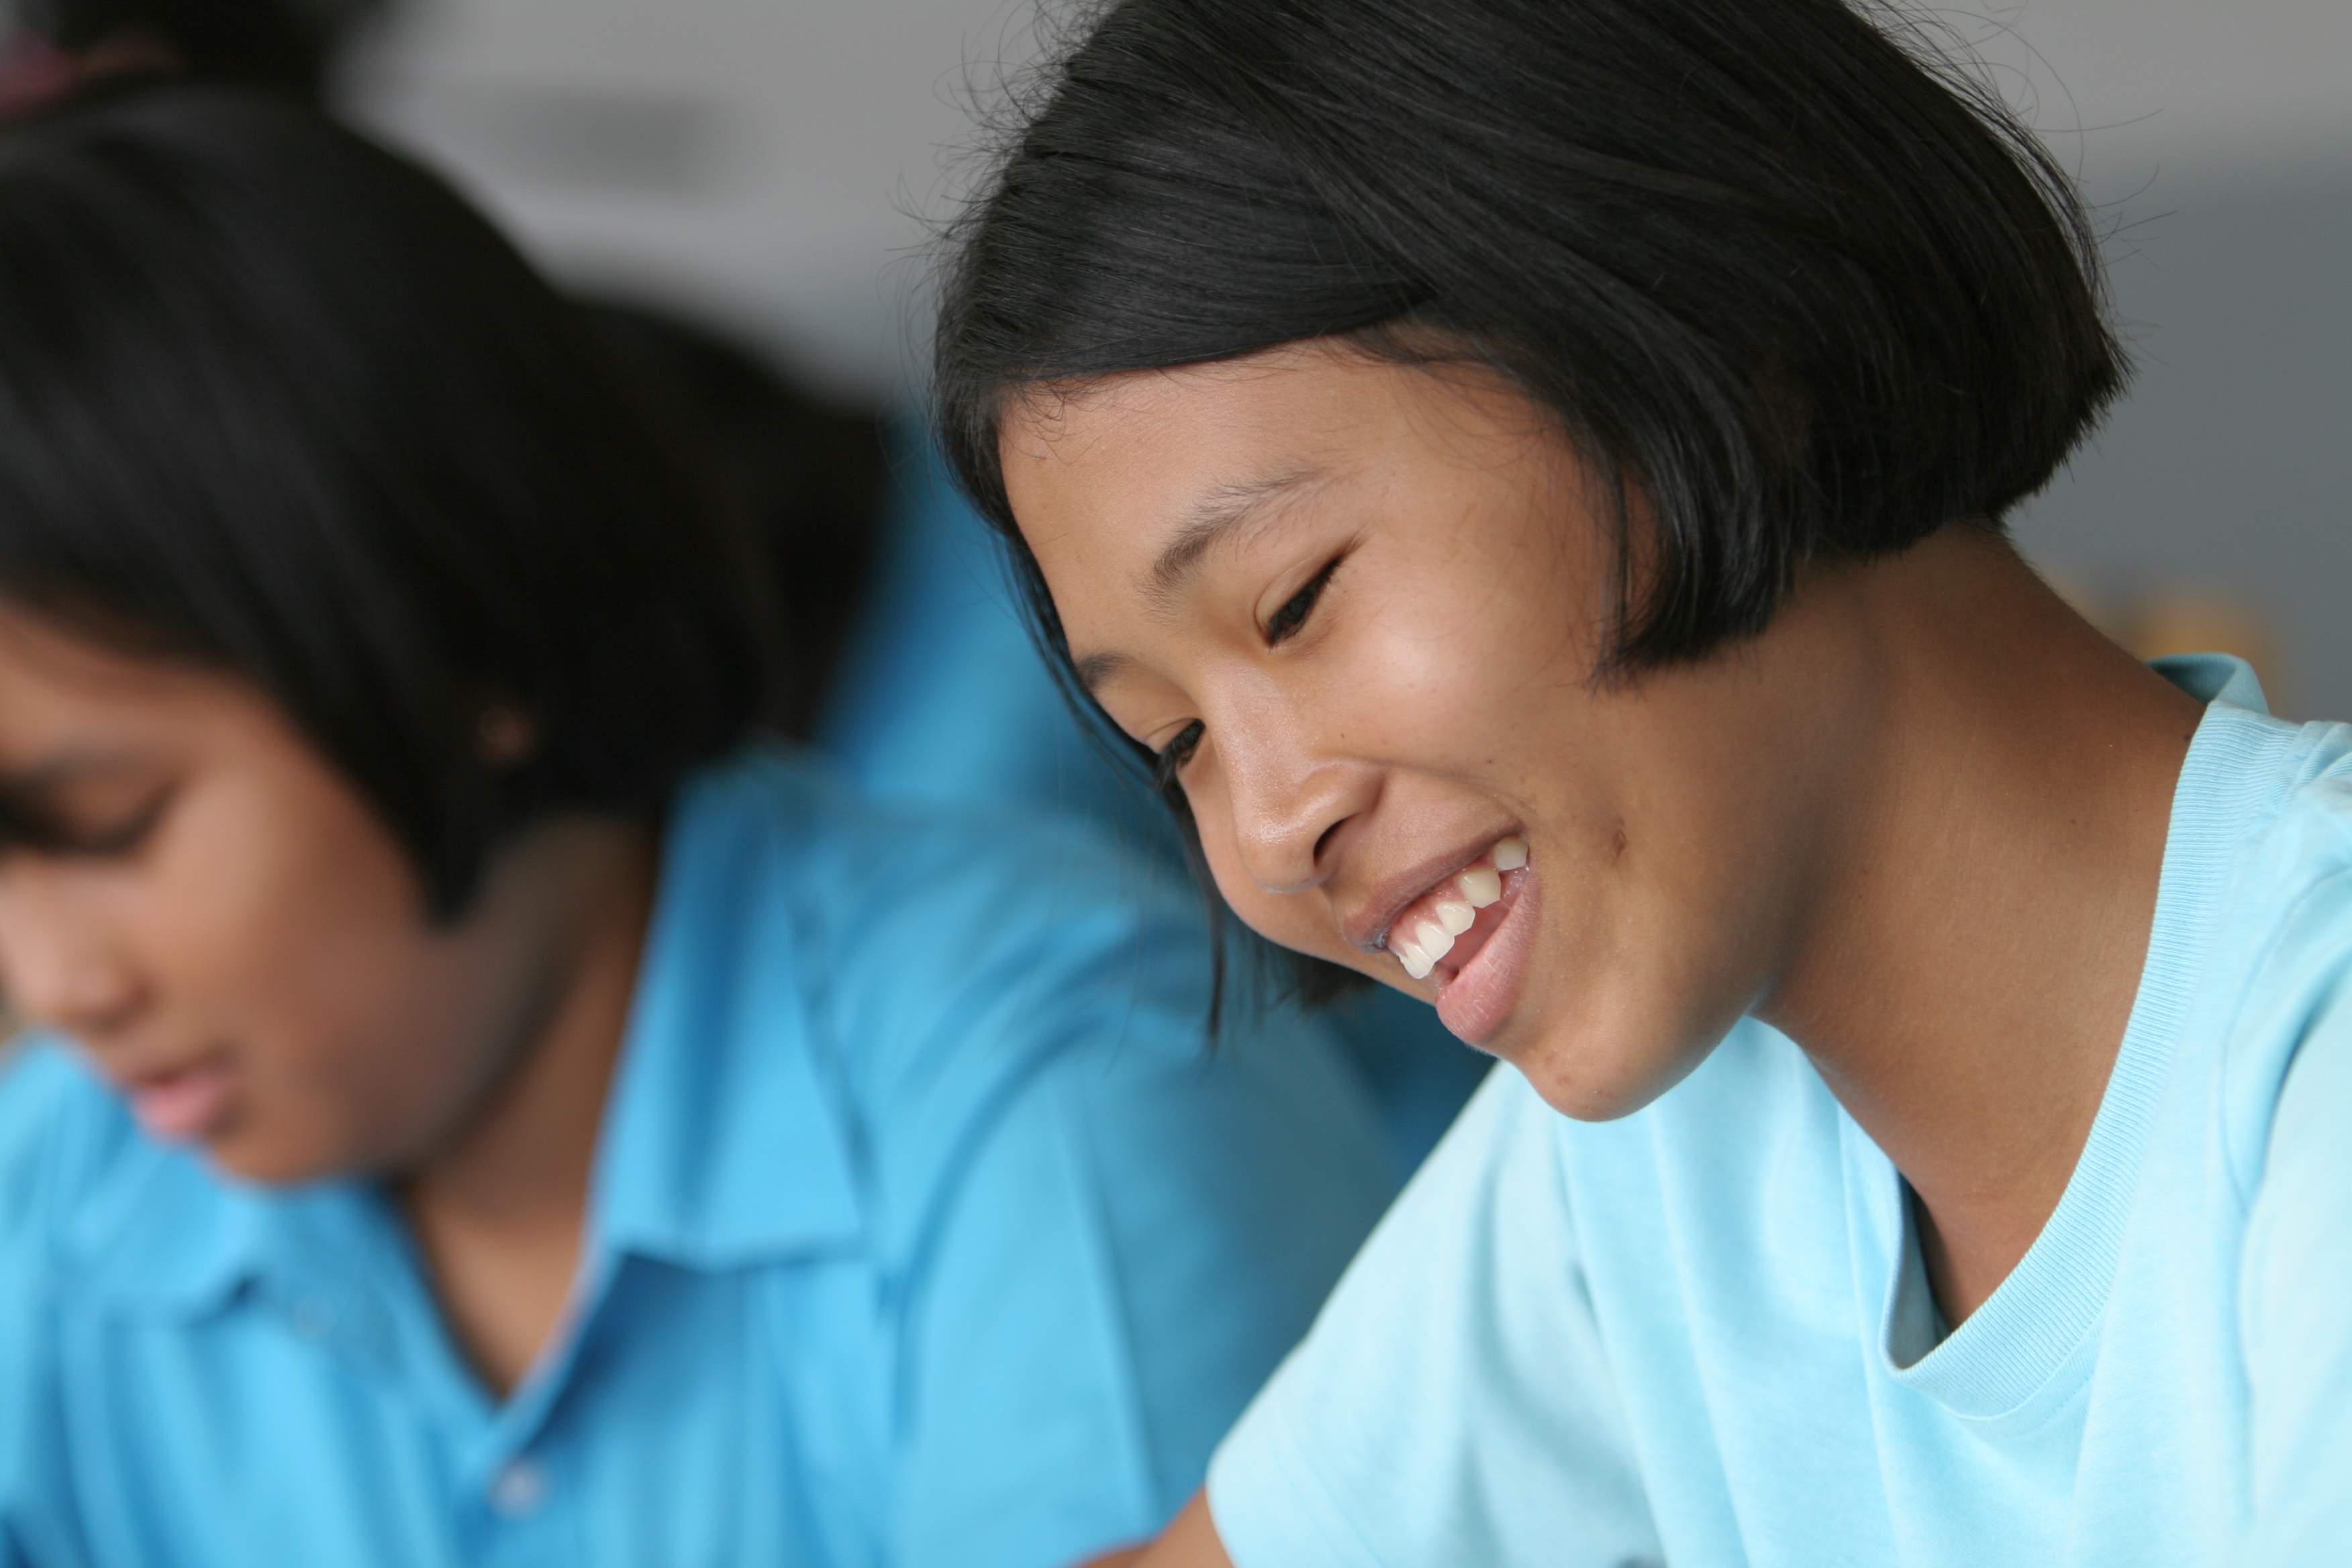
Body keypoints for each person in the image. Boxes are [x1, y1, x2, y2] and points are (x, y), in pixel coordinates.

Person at [932, 1, 2352, 1563]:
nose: (1271, 826)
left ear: (1715, 342)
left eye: (1295, 601)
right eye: (1175, 745)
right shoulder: (1668, 1147)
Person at [0, 84, 1395, 1567]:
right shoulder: (68, 1186)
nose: (56, 986)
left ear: (462, 643)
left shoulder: (1064, 1096)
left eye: (109, 823)